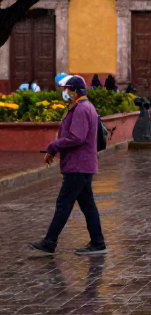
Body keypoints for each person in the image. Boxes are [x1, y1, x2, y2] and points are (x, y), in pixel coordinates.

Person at [29, 75, 106, 257]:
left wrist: (54, 146)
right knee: (87, 205)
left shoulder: (81, 109)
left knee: (64, 204)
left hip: (78, 166)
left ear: (75, 91)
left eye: (67, 89)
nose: (65, 92)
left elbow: (76, 137)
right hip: (83, 165)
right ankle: (98, 242)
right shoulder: (85, 107)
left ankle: (49, 242)